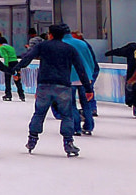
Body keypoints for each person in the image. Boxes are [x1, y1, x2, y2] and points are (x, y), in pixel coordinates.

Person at [24, 23, 93, 156]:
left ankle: (32, 139)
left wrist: (15, 69)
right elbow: (80, 69)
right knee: (67, 115)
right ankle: (68, 142)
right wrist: (88, 88)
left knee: (39, 113)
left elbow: (27, 57)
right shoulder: (69, 49)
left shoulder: (42, 46)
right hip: (63, 86)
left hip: (44, 84)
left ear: (50, 34)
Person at [66, 28, 102, 135]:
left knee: (71, 104)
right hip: (85, 77)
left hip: (70, 76)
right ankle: (89, 126)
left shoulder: (64, 44)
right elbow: (91, 61)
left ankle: (76, 126)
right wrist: (91, 75)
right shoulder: (83, 45)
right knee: (86, 103)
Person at [0, 36, 23, 101]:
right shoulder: (10, 47)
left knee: (7, 80)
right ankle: (21, 95)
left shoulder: (2, 47)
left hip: (9, 63)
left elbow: (5, 56)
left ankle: (8, 94)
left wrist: (6, 66)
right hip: (15, 63)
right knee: (17, 79)